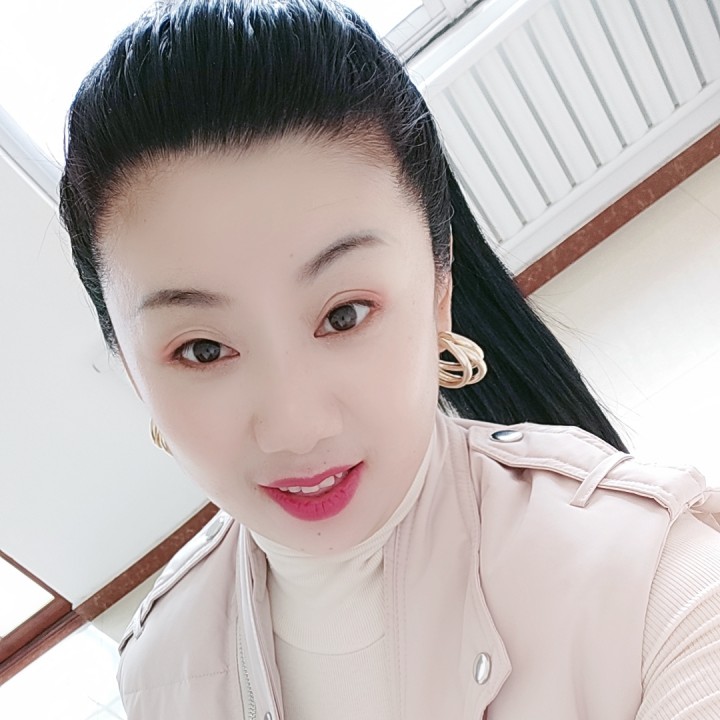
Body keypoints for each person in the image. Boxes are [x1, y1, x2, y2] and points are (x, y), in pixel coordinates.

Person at [58, 1, 720, 718]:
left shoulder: (659, 581)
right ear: (132, 371)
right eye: (203, 349)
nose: (295, 427)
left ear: (439, 291)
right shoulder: (158, 670)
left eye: (344, 315)